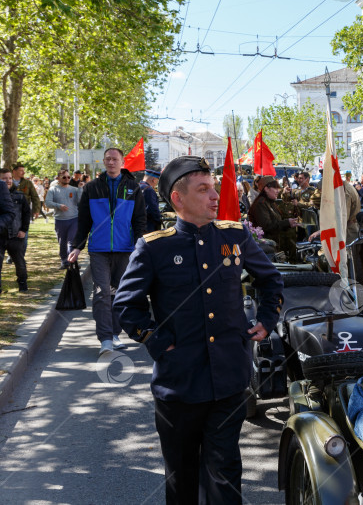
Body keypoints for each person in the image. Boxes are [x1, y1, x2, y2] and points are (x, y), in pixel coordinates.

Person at [113, 155, 283, 504]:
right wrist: (158, 342)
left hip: (229, 378)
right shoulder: (155, 246)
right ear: (178, 199)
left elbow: (270, 279)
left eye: (214, 188)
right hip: (179, 385)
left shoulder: (234, 235)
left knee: (225, 473)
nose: (215, 196)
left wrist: (267, 321)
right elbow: (126, 307)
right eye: (204, 189)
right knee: (182, 477)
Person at [68, 148, 146, 354]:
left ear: (122, 162)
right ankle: (105, 339)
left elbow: (139, 219)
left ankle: (114, 333)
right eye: (108, 159)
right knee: (102, 293)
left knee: (120, 293)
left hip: (125, 248)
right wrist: (77, 246)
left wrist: (140, 245)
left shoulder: (133, 187)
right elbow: (84, 220)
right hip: (99, 249)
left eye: (115, 159)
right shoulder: (92, 187)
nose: (111, 162)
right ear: (103, 161)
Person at [248, 177, 300, 258]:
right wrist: (287, 223)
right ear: (266, 189)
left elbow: (277, 220)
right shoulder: (260, 204)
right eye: (275, 188)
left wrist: (289, 222)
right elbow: (267, 226)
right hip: (266, 249)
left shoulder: (269, 202)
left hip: (273, 245)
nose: (277, 191)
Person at [45, 169, 83, 269]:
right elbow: (47, 203)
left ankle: (72, 262)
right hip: (60, 220)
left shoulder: (74, 189)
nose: (67, 179)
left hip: (74, 219)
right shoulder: (53, 189)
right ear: (58, 178)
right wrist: (58, 206)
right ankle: (64, 261)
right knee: (62, 242)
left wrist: (80, 189)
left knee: (71, 242)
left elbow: (80, 201)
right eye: (64, 177)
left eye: (68, 177)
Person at [0, 168, 30, 292]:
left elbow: (26, 214)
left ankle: (22, 283)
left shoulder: (19, 195)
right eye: (4, 178)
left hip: (16, 235)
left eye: (10, 178)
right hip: (1, 235)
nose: (8, 181)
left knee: (20, 263)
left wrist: (24, 230)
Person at [140, 168, 162, 234]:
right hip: (148, 226)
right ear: (154, 180)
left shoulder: (136, 187)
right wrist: (159, 220)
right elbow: (152, 209)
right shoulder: (148, 190)